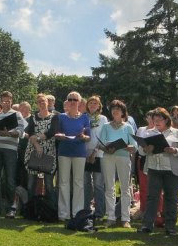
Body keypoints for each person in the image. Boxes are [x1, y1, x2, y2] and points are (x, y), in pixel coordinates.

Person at [137, 107, 178, 236]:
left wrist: (174, 150)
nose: (156, 122)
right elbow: (141, 151)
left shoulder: (176, 132)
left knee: (171, 198)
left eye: (159, 119)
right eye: (154, 119)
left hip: (171, 170)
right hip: (154, 168)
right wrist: (146, 149)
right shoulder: (148, 133)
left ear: (166, 120)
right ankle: (147, 225)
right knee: (152, 197)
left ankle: (170, 227)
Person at [50, 91, 91, 222]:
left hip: (79, 152)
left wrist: (83, 136)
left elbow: (88, 136)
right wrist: (60, 135)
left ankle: (77, 213)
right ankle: (63, 214)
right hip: (64, 152)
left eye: (75, 100)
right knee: (63, 182)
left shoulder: (84, 118)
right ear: (67, 101)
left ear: (79, 102)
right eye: (70, 99)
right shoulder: (61, 117)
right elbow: (56, 133)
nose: (72, 102)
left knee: (78, 183)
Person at [99, 99, 136, 228]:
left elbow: (134, 145)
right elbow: (100, 143)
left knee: (125, 188)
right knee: (109, 187)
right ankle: (111, 217)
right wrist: (106, 148)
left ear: (123, 112)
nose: (115, 111)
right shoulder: (105, 126)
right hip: (108, 157)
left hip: (124, 157)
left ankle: (125, 218)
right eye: (113, 109)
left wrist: (126, 147)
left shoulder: (128, 127)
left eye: (118, 109)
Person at [0, 91, 24, 217]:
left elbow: (20, 132)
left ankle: (11, 208)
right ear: (1, 102)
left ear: (11, 101)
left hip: (10, 149)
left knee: (10, 179)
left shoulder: (17, 114)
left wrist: (8, 133)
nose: (6, 103)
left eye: (8, 101)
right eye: (3, 101)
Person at [84, 95, 107, 218]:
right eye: (90, 103)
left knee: (98, 184)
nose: (92, 105)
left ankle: (99, 212)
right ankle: (86, 210)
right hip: (84, 153)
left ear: (99, 106)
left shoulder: (102, 119)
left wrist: (94, 152)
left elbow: (103, 137)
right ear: (87, 105)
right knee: (86, 183)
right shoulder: (83, 117)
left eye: (95, 103)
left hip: (98, 154)